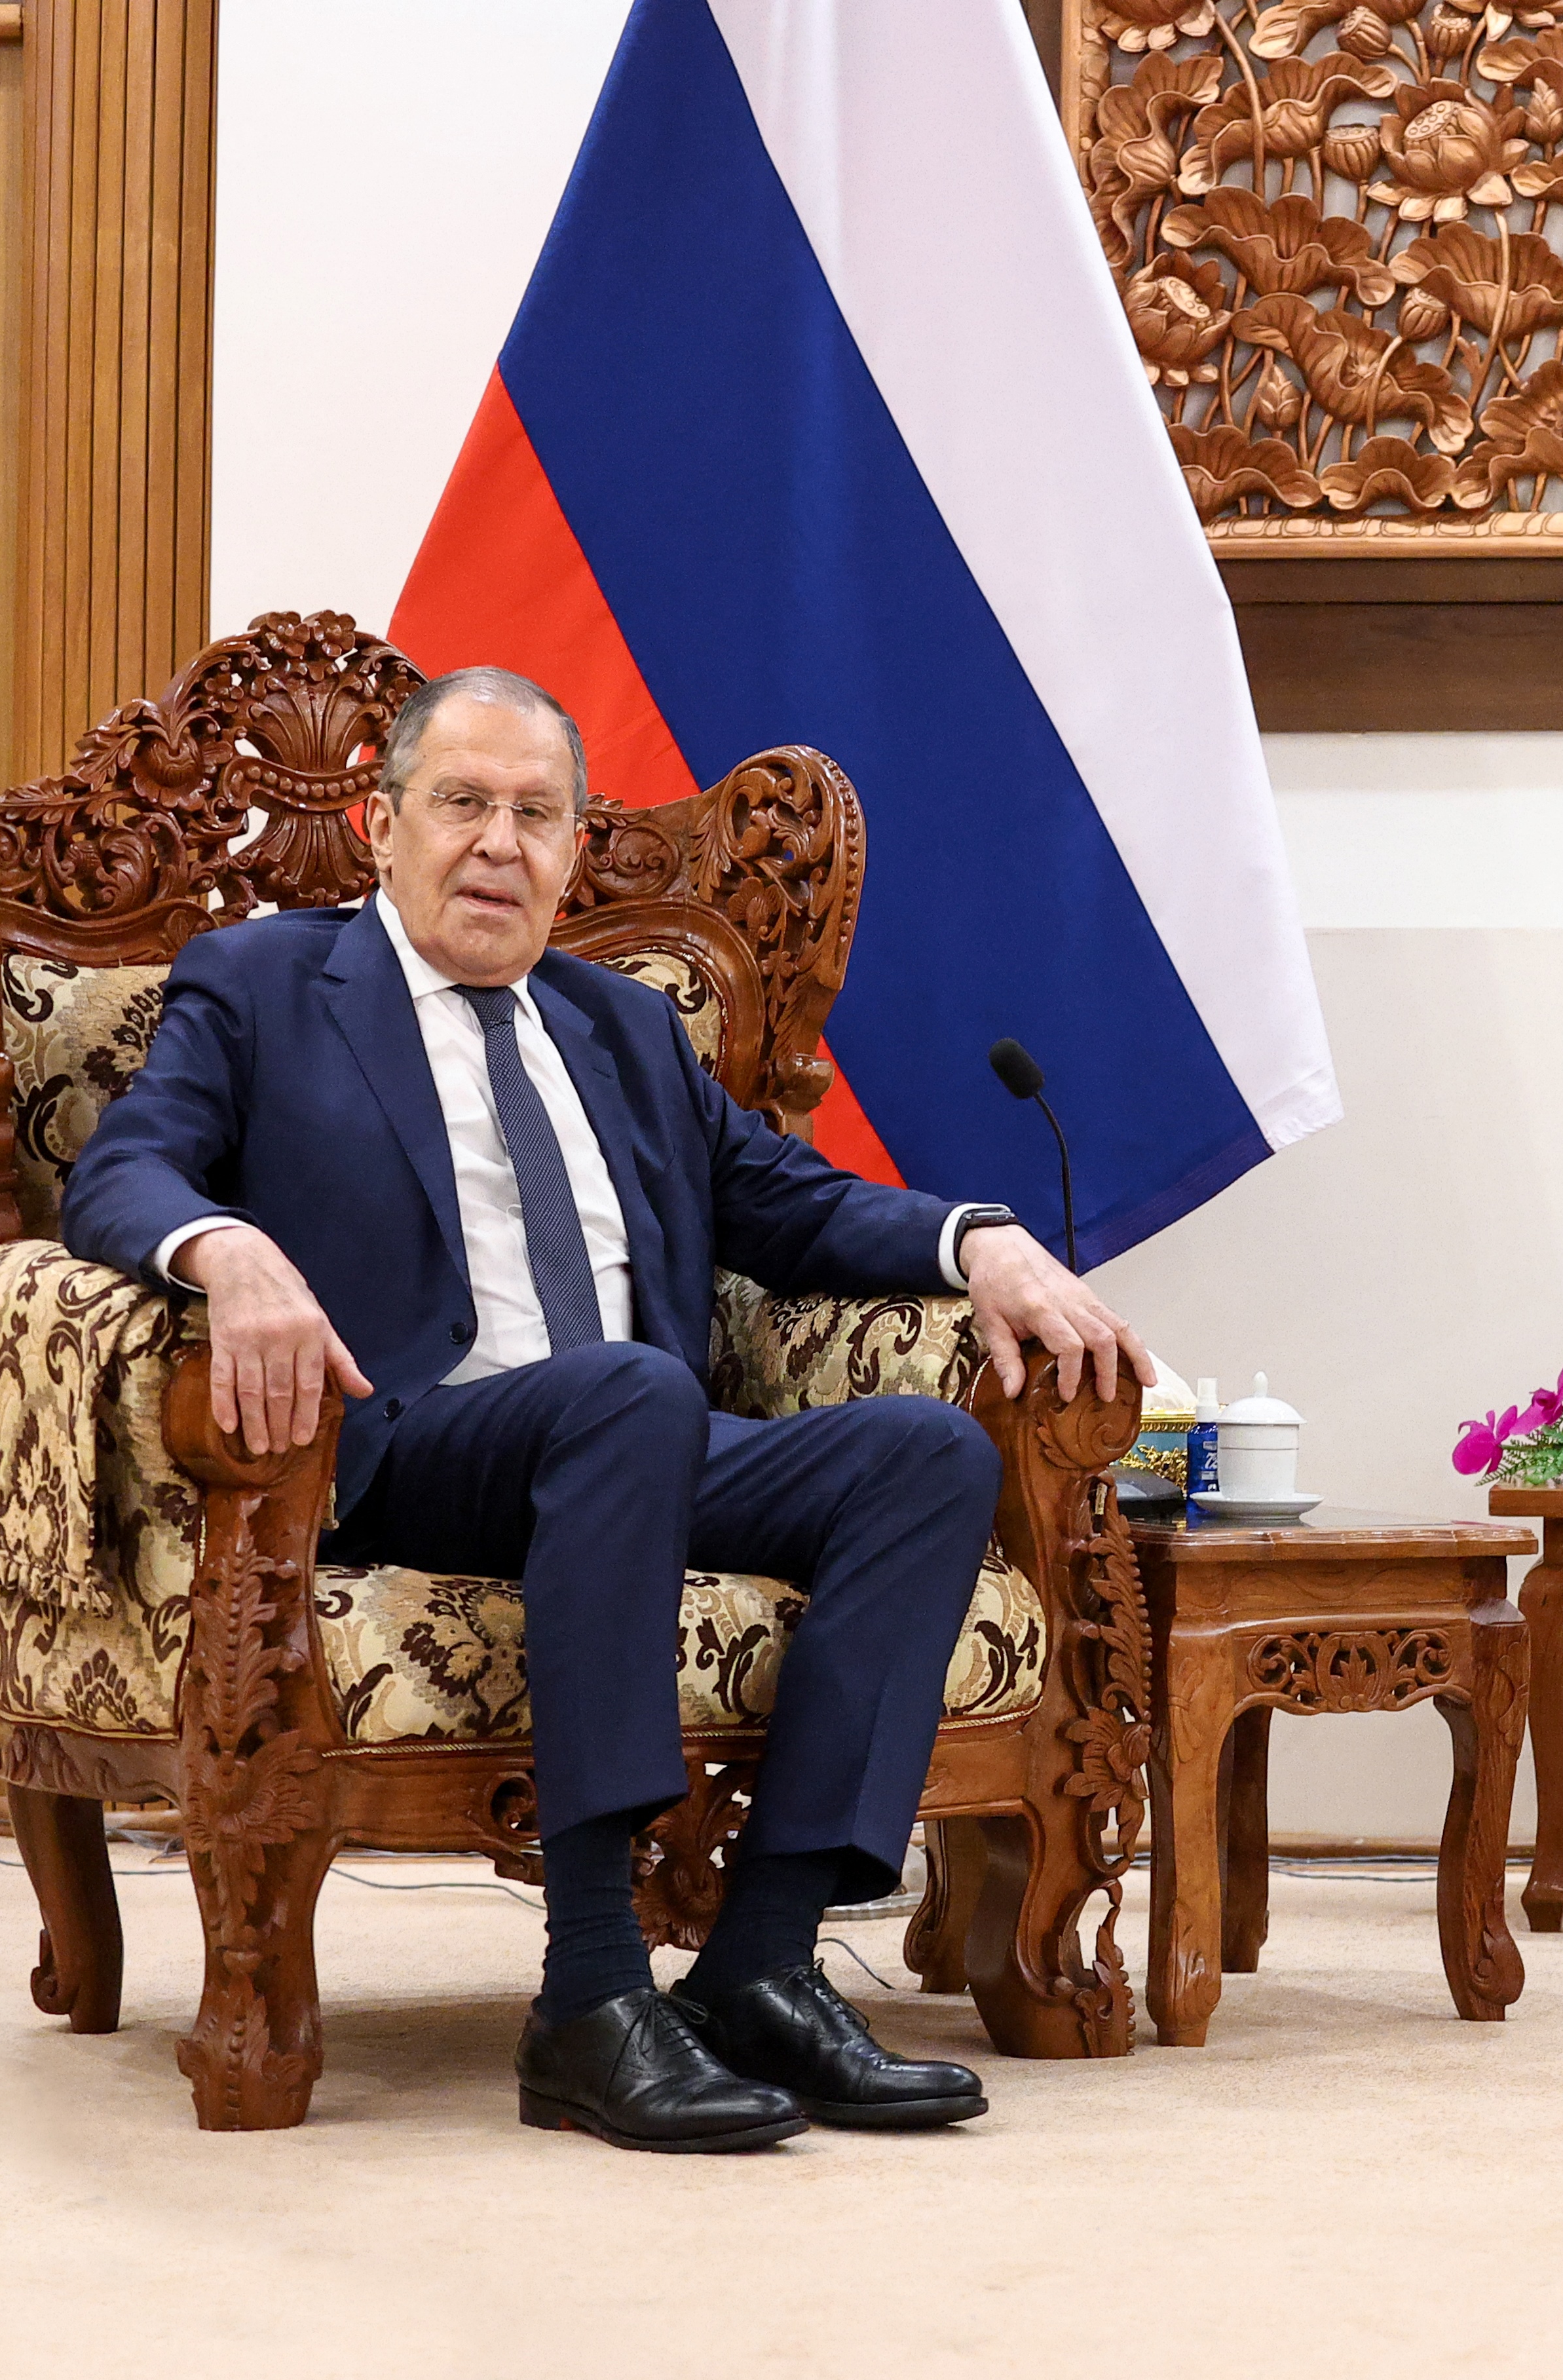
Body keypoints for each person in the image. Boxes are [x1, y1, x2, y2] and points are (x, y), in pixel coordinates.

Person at [62, 667, 1156, 2153]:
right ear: (384, 826)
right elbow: (115, 1171)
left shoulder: (623, 1026)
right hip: (406, 1444)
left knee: (921, 1451)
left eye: (536, 813)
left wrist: (982, 1237)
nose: (499, 842)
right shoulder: (260, 986)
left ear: (576, 851)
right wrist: (228, 1246)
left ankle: (761, 1963)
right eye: (462, 803)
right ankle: (587, 1992)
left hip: (633, 1439)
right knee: (631, 1391)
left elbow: (786, 1197)